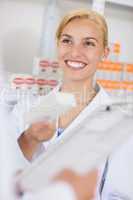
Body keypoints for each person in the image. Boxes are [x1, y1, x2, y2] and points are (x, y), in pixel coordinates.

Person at [14, 9, 111, 199]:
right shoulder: (24, 108)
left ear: (104, 53)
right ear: (58, 45)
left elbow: (120, 194)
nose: (75, 52)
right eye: (67, 41)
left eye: (89, 43)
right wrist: (29, 139)